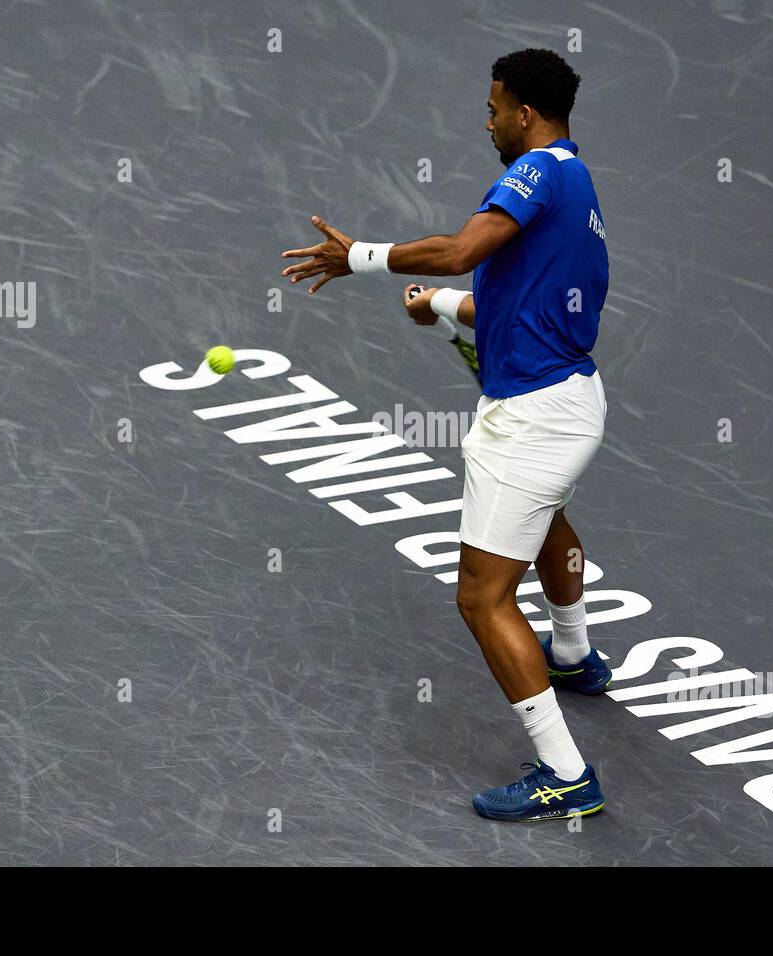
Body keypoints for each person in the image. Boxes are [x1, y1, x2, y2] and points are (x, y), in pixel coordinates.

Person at [281, 48, 610, 822]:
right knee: (549, 517)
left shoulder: (533, 173)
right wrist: (443, 307)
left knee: (481, 596)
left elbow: (464, 249)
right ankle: (573, 654)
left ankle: (566, 774)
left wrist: (359, 256)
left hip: (528, 421)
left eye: (495, 107)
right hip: (574, 400)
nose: (488, 120)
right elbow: (526, 302)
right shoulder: (578, 183)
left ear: (526, 114)